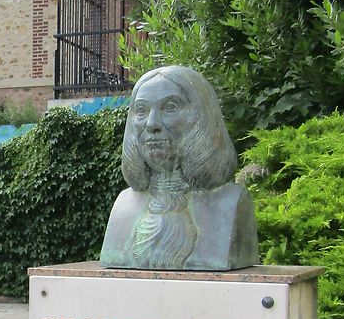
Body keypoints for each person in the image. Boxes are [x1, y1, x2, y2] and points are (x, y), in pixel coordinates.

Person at [100, 65, 259, 271]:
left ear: (200, 118)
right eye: (141, 111)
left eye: (170, 107)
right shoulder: (123, 205)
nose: (151, 123)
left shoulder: (231, 203)